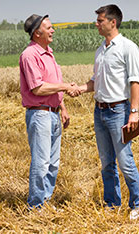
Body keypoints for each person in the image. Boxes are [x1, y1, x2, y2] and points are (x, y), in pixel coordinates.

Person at [71, 4, 139, 220]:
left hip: (118, 111)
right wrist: (81, 89)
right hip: (100, 111)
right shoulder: (100, 51)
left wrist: (133, 112)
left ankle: (138, 203)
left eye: (100, 20)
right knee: (106, 162)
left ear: (113, 22)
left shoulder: (128, 48)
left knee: (125, 160)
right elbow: (96, 81)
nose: (96, 24)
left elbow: (135, 81)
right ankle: (112, 203)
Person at [19, 14, 80, 209]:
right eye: (49, 27)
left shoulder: (49, 52)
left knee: (53, 163)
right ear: (37, 32)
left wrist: (62, 107)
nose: (53, 30)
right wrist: (64, 86)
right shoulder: (30, 55)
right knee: (42, 162)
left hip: (52, 113)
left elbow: (51, 83)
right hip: (40, 114)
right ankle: (35, 206)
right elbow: (37, 88)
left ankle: (44, 200)